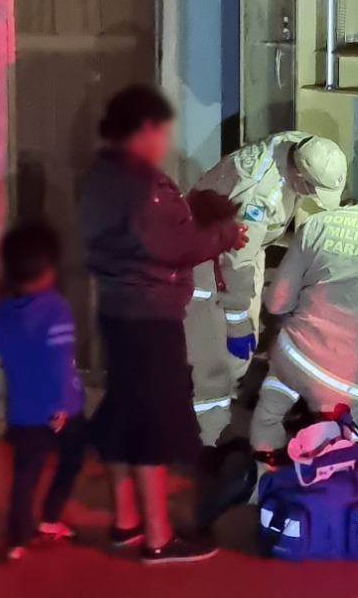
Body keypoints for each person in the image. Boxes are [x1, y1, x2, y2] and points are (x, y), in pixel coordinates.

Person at [79, 84, 250, 564]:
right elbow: (173, 247)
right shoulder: (142, 184)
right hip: (150, 316)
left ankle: (125, 522)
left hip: (117, 308)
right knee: (151, 422)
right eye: (161, 131)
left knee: (122, 413)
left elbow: (146, 237)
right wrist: (224, 233)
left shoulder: (102, 176)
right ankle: (158, 537)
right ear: (145, 131)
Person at [251, 154, 358, 458]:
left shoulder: (318, 223)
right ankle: (344, 489)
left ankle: (264, 486)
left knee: (269, 413)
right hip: (346, 383)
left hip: (294, 359)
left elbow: (276, 302)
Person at [184, 131, 348, 442]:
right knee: (216, 352)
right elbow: (237, 261)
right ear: (298, 174)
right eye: (311, 189)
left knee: (238, 350)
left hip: (242, 246)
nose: (311, 196)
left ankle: (219, 408)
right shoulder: (259, 194)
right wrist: (236, 321)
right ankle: (207, 435)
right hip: (207, 253)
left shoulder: (305, 147)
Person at [0, 220, 89, 563]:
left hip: (21, 411)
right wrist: (62, 404)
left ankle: (16, 540)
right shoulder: (54, 307)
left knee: (24, 476)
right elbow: (60, 361)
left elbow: (4, 351)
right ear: (48, 269)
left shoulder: (4, 309)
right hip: (61, 411)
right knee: (71, 460)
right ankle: (50, 518)